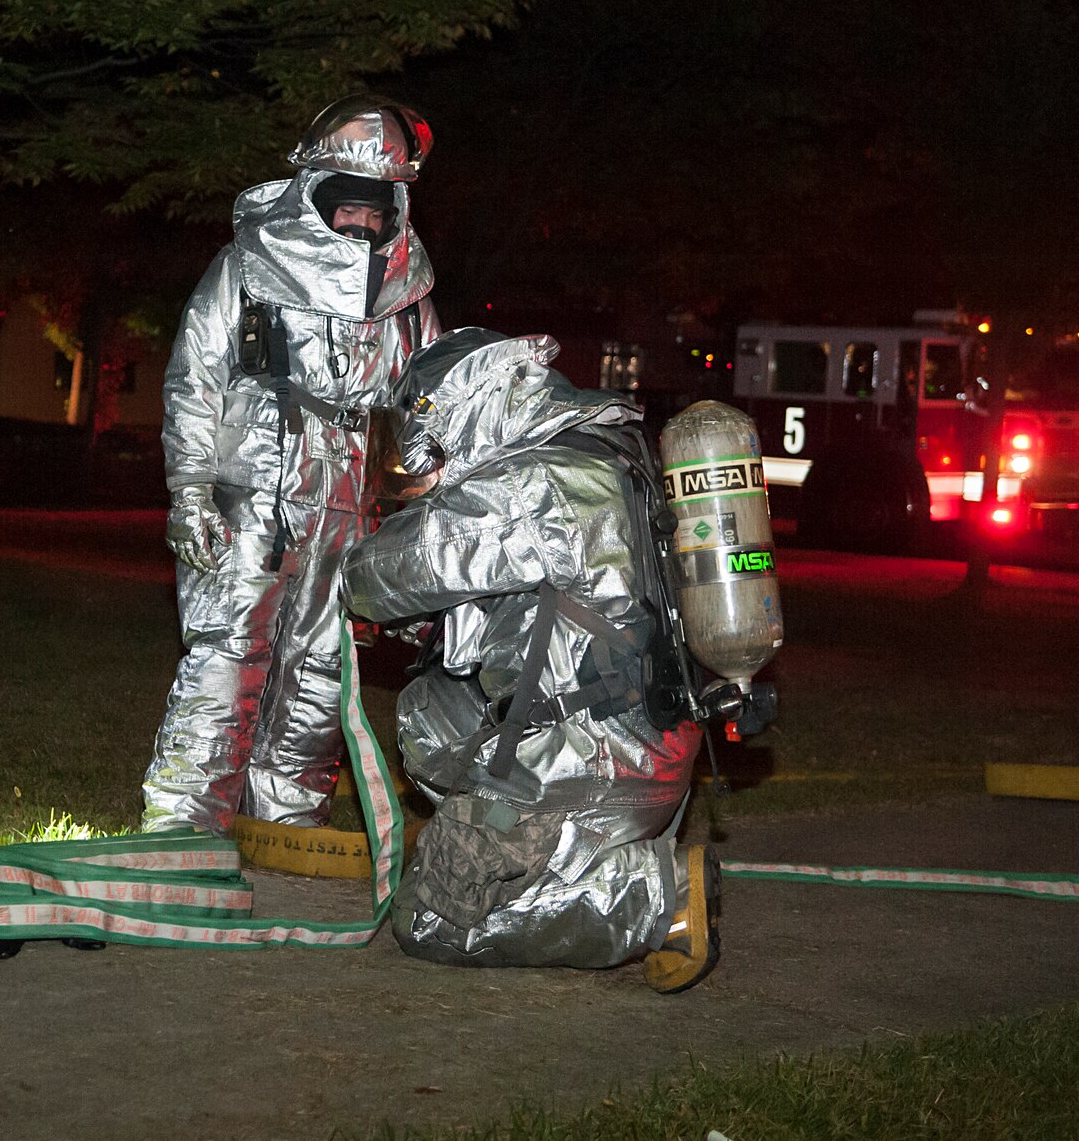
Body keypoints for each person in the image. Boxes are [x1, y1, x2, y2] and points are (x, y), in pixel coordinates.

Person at [339, 328, 718, 992]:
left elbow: (377, 576)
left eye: (426, 446)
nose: (422, 468)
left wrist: (333, 558)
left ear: (464, 412)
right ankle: (537, 844)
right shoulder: (607, 452)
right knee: (430, 706)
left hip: (591, 761)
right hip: (648, 743)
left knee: (429, 919)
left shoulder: (533, 483)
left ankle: (653, 895)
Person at [140, 95, 442, 833]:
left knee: (320, 675)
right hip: (252, 504)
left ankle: (286, 829)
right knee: (227, 662)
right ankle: (185, 830)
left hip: (350, 516)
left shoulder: (408, 298)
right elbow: (195, 379)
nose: (361, 223)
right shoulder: (248, 268)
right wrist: (190, 492)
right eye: (348, 206)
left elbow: (429, 411)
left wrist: (423, 522)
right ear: (317, 198)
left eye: (375, 210)